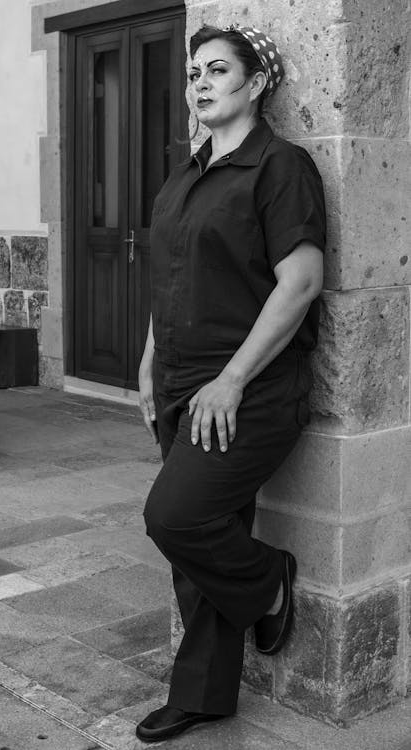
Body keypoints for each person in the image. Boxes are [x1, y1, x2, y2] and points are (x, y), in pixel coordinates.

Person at [136, 23, 326, 744]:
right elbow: (169, 280)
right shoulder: (185, 175)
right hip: (181, 383)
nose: (201, 82)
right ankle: (205, 695)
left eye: (218, 70)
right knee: (200, 547)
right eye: (193, 73)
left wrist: (231, 380)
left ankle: (270, 578)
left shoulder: (280, 167)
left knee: (176, 519)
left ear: (256, 82)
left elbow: (300, 282)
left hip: (250, 390)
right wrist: (149, 367)